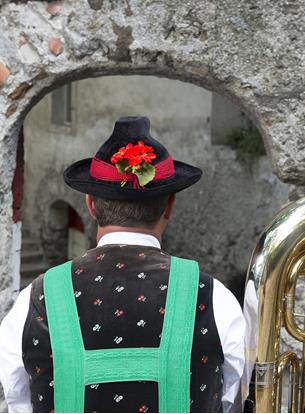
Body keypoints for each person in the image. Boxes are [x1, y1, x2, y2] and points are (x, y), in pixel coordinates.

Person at [0, 116, 245, 413]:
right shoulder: (215, 298)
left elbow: (18, 402)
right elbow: (233, 400)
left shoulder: (35, 301)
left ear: (90, 204)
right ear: (170, 205)